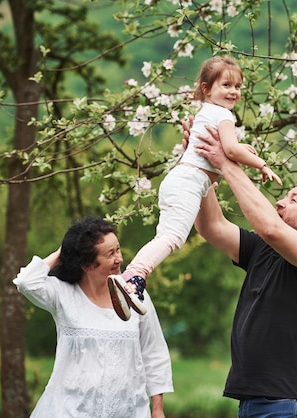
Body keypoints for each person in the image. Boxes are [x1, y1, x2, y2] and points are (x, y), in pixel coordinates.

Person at [108, 55, 281, 320]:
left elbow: (227, 151)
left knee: (166, 236)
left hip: (180, 180)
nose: (234, 91)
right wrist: (262, 164)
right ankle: (133, 277)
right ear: (207, 89)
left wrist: (241, 150)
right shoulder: (223, 115)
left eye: (238, 86)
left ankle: (133, 283)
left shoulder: (207, 112)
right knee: (172, 238)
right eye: (226, 85)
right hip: (187, 183)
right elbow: (231, 149)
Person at [190, 125, 297, 418]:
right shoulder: (263, 249)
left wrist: (227, 164)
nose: (280, 202)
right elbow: (211, 227)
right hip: (254, 402)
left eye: (293, 199)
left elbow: (270, 227)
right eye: (284, 196)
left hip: (291, 403)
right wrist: (203, 169)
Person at [13, 216, 173, 418]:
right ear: (87, 265)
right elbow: (26, 282)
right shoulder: (63, 294)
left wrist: (157, 408)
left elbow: (153, 351)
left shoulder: (133, 294)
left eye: (118, 249)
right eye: (110, 254)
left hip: (129, 410)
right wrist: (63, 252)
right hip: (69, 410)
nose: (120, 258)